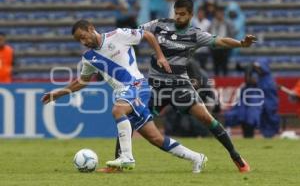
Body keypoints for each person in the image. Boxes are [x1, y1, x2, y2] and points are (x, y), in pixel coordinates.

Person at [41, 20, 208, 173]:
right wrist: (59, 93)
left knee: (118, 110)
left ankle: (126, 158)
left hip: (137, 85)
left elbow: (148, 35)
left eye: (83, 37)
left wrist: (161, 56)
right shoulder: (88, 58)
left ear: (91, 28)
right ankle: (197, 158)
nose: (83, 42)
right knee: (155, 138)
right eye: (79, 41)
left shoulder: (118, 35)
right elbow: (82, 82)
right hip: (124, 93)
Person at [113, 0, 256, 173]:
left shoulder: (195, 34)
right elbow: (133, 33)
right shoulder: (159, 25)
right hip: (154, 86)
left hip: (179, 86)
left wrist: (241, 43)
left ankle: (237, 157)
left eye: (183, 14)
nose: (179, 17)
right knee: (130, 117)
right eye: (177, 13)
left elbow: (221, 41)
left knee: (206, 118)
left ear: (191, 15)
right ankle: (118, 162)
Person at [225, 59, 281, 138]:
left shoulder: (268, 81)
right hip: (250, 107)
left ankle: (266, 135)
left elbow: (270, 97)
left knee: (257, 118)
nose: (257, 70)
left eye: (258, 67)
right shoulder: (254, 81)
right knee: (244, 115)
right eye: (256, 68)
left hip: (263, 106)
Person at [209, 6, 236, 76]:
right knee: (216, 66)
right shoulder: (212, 23)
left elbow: (232, 34)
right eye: (218, 13)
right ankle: (217, 81)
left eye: (221, 13)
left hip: (224, 47)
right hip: (215, 47)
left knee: (224, 66)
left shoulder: (227, 23)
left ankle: (225, 81)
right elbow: (208, 33)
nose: (219, 15)